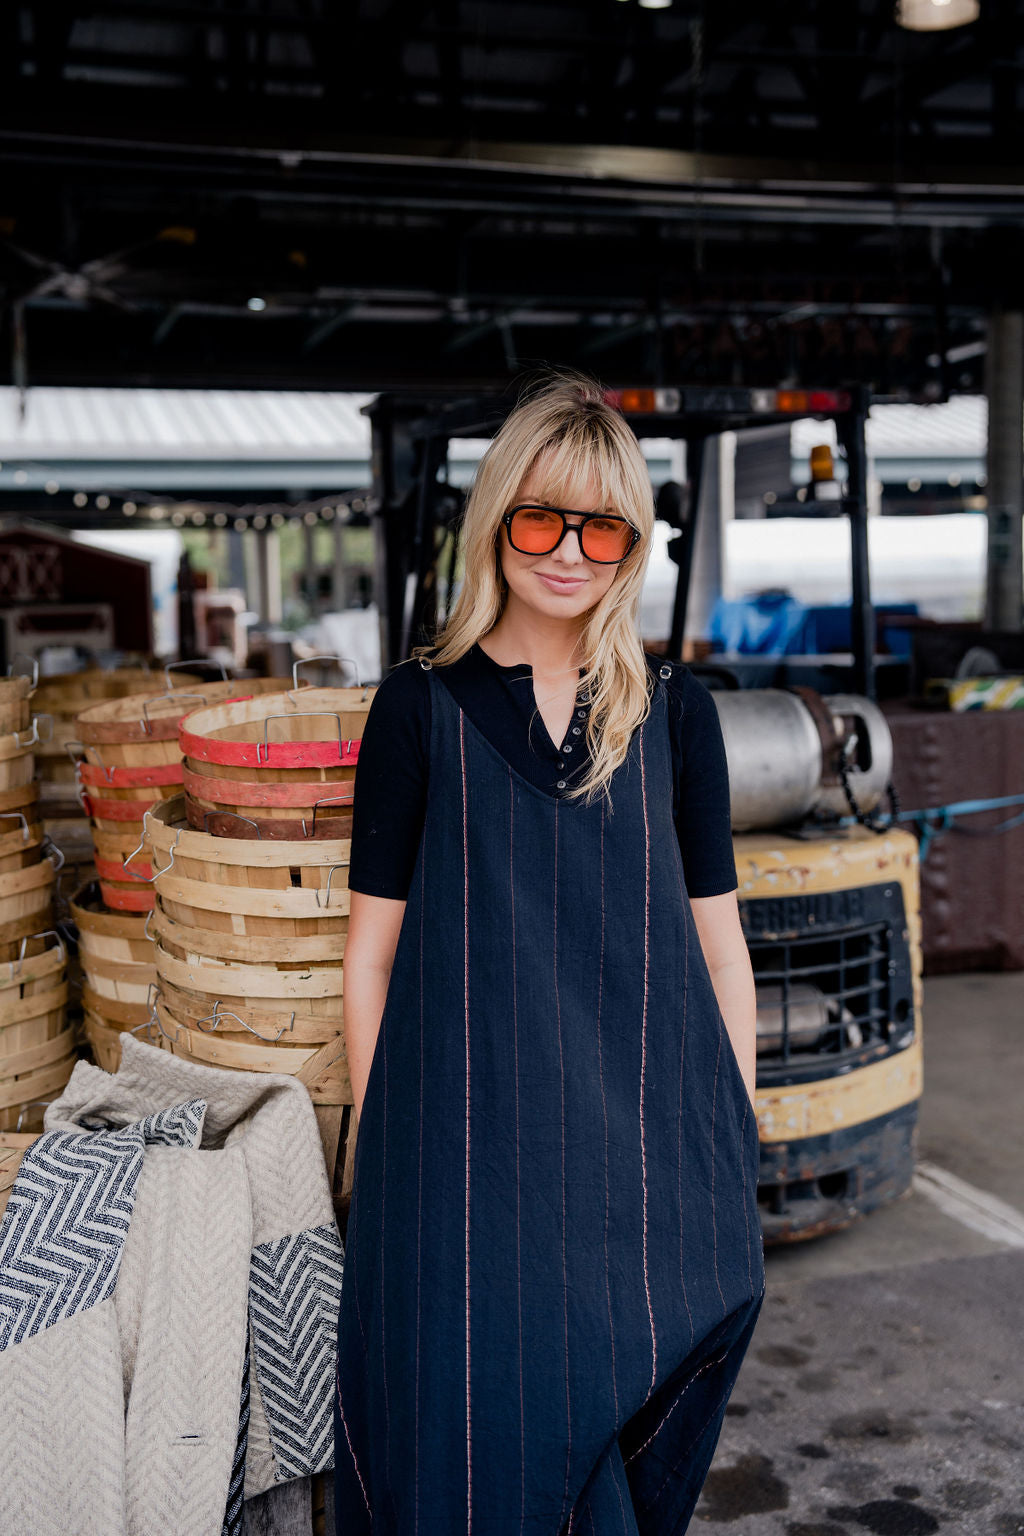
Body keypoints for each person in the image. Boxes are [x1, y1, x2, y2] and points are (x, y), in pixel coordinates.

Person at [334, 373, 765, 1534]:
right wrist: (389, 1158)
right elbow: (369, 957)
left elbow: (720, 949)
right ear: (494, 524)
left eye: (601, 527)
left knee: (617, 1444)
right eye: (539, 518)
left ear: (630, 544)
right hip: (466, 1173)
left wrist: (732, 1132)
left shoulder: (674, 715)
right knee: (465, 1453)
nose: (567, 552)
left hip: (633, 1164)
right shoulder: (417, 709)